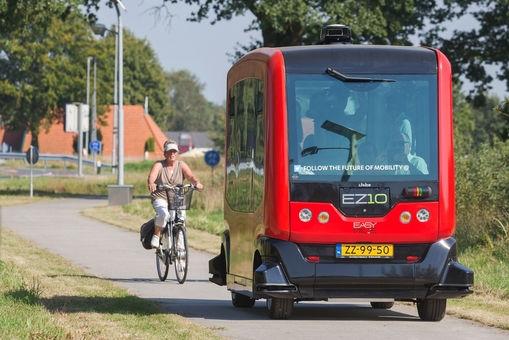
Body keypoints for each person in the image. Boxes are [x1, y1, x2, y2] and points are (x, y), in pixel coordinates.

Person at [147, 140, 204, 249]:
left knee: (180, 220)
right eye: (169, 152)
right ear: (165, 153)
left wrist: (196, 183)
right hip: (161, 196)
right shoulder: (159, 164)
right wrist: (151, 183)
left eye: (174, 152)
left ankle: (180, 251)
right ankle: (157, 234)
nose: (172, 154)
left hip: (176, 197)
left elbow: (190, 176)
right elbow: (152, 176)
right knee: (164, 215)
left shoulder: (181, 165)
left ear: (177, 153)